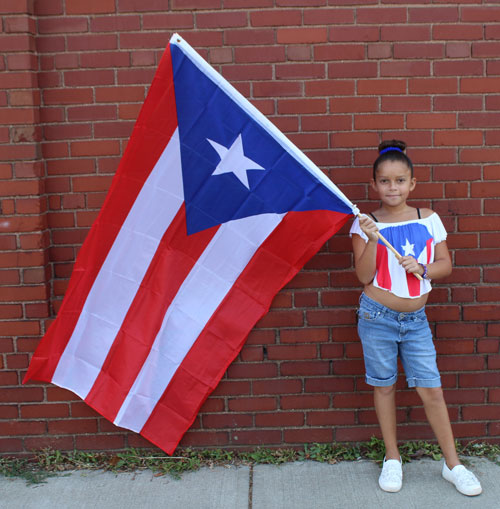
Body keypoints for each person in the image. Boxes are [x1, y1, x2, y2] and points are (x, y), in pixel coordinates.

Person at [349, 140, 482, 496]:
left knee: (431, 389)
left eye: (400, 180)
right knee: (384, 385)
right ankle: (392, 457)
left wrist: (422, 268)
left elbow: (445, 266)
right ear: (374, 185)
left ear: (412, 183)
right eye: (385, 181)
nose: (393, 188)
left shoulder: (429, 218)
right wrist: (373, 239)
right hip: (376, 316)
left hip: (416, 320)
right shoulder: (366, 223)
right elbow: (363, 276)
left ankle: (452, 464)